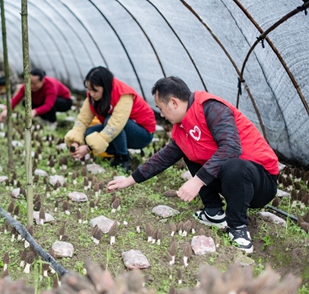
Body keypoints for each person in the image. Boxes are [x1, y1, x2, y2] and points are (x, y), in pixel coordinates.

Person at [107, 76, 279, 254]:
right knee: (190, 151)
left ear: (173, 102)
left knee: (234, 165)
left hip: (260, 183)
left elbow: (231, 148)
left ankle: (237, 227)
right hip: (233, 180)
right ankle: (213, 212)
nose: (161, 114)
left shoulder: (212, 108)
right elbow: (162, 158)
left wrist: (197, 181)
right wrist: (129, 180)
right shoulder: (183, 128)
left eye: (161, 108)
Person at [64, 66, 156, 172]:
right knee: (88, 133)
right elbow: (83, 119)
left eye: (95, 90)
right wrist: (76, 142)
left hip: (142, 134)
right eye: (89, 89)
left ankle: (123, 158)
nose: (91, 93)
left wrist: (88, 147)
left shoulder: (124, 94)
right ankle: (118, 152)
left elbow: (116, 124)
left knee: (109, 120)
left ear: (105, 87)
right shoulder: (93, 96)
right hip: (120, 129)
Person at [0, 69, 72, 129]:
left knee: (50, 104)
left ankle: (52, 122)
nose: (31, 86)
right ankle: (44, 118)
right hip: (43, 100)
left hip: (64, 101)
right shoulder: (27, 85)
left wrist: (34, 111)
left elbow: (48, 105)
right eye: (30, 83)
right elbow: (16, 99)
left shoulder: (50, 85)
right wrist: (6, 110)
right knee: (26, 102)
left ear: (42, 81)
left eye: (34, 84)